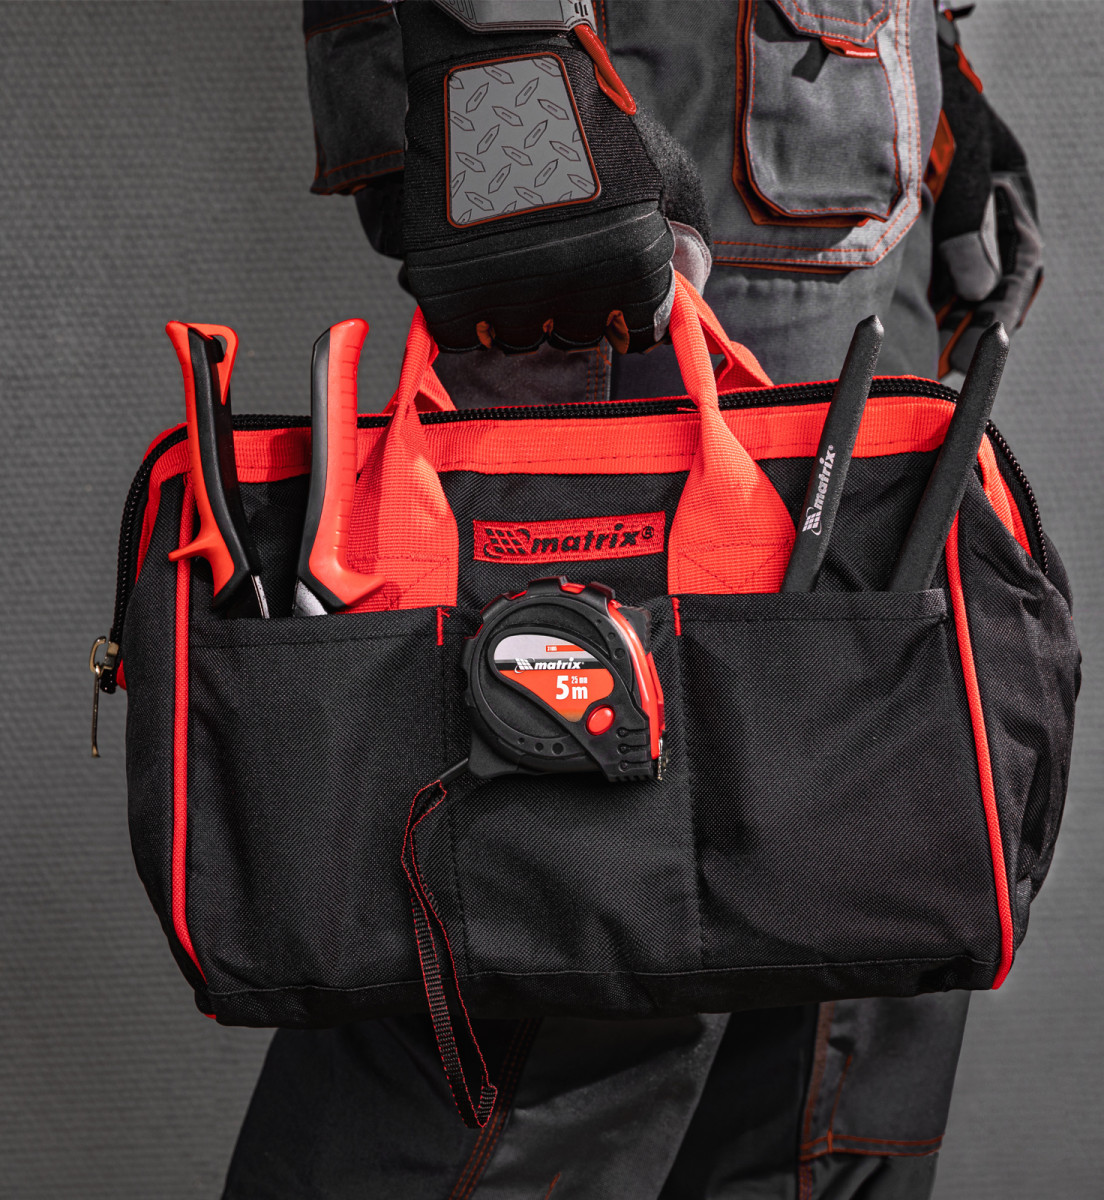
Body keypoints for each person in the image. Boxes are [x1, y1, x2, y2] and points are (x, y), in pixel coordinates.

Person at [223, 3, 1044, 1196]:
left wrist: (933, 75)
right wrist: (498, 50)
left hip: (858, 175)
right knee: (560, 941)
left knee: (858, 920)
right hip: (645, 184)